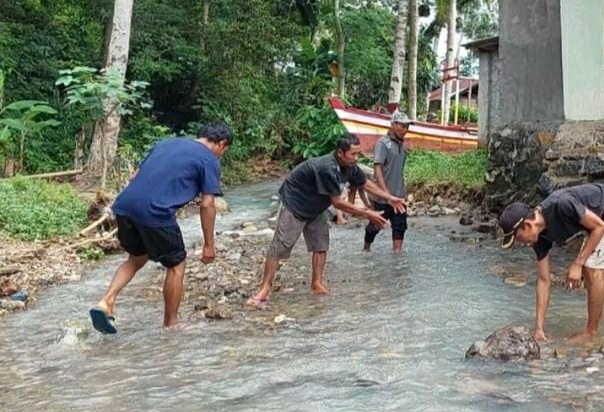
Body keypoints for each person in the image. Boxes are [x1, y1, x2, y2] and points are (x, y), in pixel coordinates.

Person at [89, 122, 233, 334]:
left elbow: (134, 177)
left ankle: (106, 301)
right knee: (176, 265)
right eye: (225, 150)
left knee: (136, 258)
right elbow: (207, 203)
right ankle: (171, 324)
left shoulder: (166, 144)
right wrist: (209, 244)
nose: (222, 154)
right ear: (222, 144)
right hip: (155, 212)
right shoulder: (209, 159)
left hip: (124, 206)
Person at [248, 135, 405, 305]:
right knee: (280, 246)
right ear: (340, 153)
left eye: (358, 154)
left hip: (316, 206)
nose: (356, 158)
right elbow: (337, 202)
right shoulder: (327, 168)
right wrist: (369, 213)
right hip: (295, 203)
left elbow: (365, 183)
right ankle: (264, 289)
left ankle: (316, 284)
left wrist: (390, 198)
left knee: (321, 245)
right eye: (353, 154)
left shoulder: (350, 166)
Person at [498, 183, 604, 345]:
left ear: (528, 225)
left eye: (520, 238)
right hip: (597, 220)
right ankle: (591, 329)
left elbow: (599, 227)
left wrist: (577, 263)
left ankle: (591, 333)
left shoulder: (561, 204)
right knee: (587, 266)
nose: (523, 244)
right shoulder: (538, 239)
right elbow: (543, 280)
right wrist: (539, 329)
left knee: (589, 267)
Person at [363, 112, 410, 253]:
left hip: (399, 196)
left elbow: (399, 171)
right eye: (402, 126)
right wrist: (385, 194)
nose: (405, 129)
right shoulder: (383, 144)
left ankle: (397, 255)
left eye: (407, 126)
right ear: (393, 125)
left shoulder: (402, 146)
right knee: (375, 225)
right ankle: (366, 249)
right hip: (383, 197)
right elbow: (377, 170)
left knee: (400, 227)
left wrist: (403, 192)